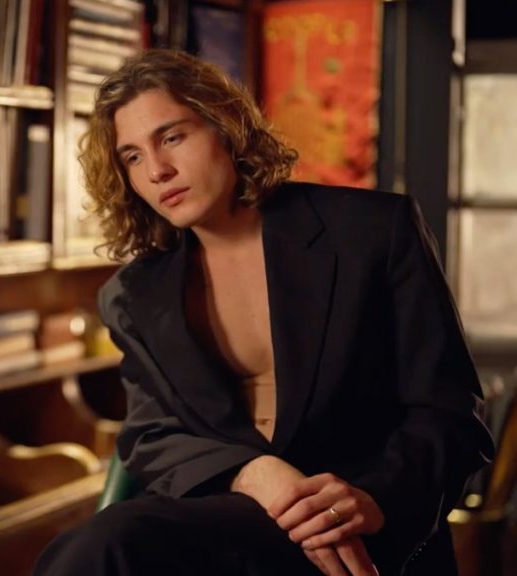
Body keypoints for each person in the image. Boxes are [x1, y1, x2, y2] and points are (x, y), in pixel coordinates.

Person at [33, 49, 495, 576]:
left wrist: (372, 500)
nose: (158, 171)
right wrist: (255, 473)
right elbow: (151, 436)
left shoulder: (371, 231)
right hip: (224, 518)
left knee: (106, 546)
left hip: (361, 525)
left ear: (225, 126)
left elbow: (449, 412)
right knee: (101, 546)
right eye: (133, 157)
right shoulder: (133, 294)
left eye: (172, 137)